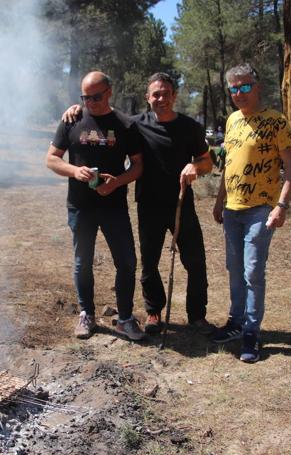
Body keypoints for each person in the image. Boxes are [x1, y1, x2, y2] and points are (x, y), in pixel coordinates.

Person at [63, 72, 215, 336]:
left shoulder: (190, 127)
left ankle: (197, 315)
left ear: (174, 96)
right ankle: (154, 312)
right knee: (149, 263)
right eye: (155, 94)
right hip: (149, 204)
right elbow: (104, 118)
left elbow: (207, 162)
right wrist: (78, 109)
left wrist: (195, 166)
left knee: (195, 261)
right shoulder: (134, 125)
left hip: (181, 204)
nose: (161, 99)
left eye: (166, 93)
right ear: (147, 98)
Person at [46, 71, 145, 341]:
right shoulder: (73, 119)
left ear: (109, 92)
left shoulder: (125, 124)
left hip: (114, 206)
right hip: (80, 206)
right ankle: (86, 314)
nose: (90, 102)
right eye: (85, 97)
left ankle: (125, 318)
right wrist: (73, 171)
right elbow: (52, 159)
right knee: (83, 262)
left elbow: (138, 165)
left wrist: (117, 182)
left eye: (96, 97)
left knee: (126, 262)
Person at [212, 63, 291, 363]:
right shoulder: (232, 121)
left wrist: (282, 206)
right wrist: (219, 199)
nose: (239, 93)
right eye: (234, 88)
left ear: (257, 87)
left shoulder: (276, 122)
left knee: (252, 272)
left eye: (245, 87)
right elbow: (228, 165)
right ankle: (235, 322)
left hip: (261, 209)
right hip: (232, 209)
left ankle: (251, 331)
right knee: (234, 270)